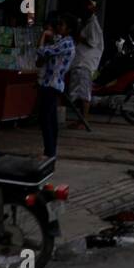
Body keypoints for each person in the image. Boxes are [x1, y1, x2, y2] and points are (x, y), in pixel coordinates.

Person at [35, 13, 76, 160]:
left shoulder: (66, 43)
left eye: (62, 25)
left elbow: (42, 51)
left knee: (46, 119)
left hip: (52, 83)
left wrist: (44, 35)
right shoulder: (64, 41)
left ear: (69, 29)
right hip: (53, 83)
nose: (59, 27)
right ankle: (50, 151)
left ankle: (49, 152)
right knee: (50, 119)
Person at [67, 0, 103, 128]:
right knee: (79, 92)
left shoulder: (92, 25)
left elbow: (92, 42)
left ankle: (83, 120)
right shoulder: (88, 23)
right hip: (82, 62)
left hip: (85, 63)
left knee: (84, 93)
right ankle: (81, 120)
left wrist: (79, 38)